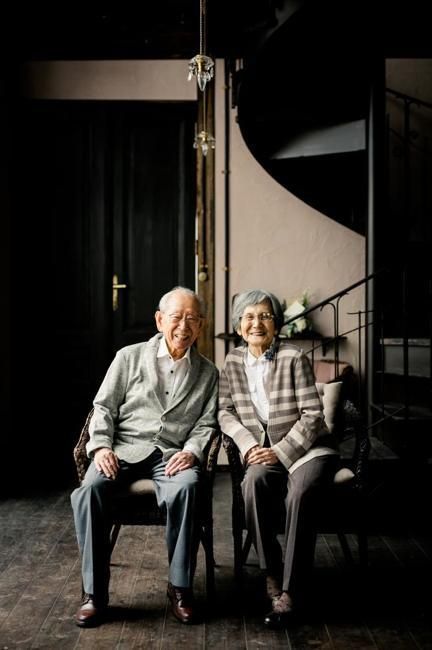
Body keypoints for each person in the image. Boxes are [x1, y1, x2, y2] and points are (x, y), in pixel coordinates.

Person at [71, 286, 218, 628]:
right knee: (89, 491)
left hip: (171, 455)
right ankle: (94, 594)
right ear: (159, 320)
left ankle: (180, 588)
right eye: (176, 317)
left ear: (201, 326)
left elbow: (207, 423)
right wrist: (101, 447)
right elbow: (103, 408)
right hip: (122, 449)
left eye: (192, 319)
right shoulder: (129, 356)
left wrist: (192, 451)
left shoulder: (209, 372)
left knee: (188, 487)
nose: (183, 326)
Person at [218, 289, 339, 627]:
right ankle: (271, 572)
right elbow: (224, 411)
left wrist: (281, 451)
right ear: (239, 326)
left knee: (299, 493)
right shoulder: (232, 361)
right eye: (249, 317)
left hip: (309, 448)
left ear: (277, 324)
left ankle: (291, 590)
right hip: (262, 449)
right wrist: (248, 446)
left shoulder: (293, 357)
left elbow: (313, 415)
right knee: (252, 483)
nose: (257, 323)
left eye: (265, 316)